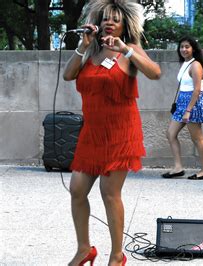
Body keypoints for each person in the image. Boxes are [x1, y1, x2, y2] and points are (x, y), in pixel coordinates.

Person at [62, 1, 161, 265]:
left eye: (115, 19)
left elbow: (155, 73)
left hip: (120, 133)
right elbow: (68, 75)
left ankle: (117, 255)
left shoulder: (130, 50)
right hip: (92, 134)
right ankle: (84, 249)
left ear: (124, 24)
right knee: (77, 189)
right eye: (105, 18)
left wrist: (126, 50)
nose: (109, 22)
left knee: (109, 192)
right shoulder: (91, 52)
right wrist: (83, 45)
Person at [161, 36, 203, 180]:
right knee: (170, 134)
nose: (184, 49)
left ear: (193, 49)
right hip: (182, 102)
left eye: (187, 47)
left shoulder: (195, 65)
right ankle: (178, 167)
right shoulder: (185, 63)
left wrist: (188, 110)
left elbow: (197, 89)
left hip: (192, 102)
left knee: (197, 138)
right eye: (182, 47)